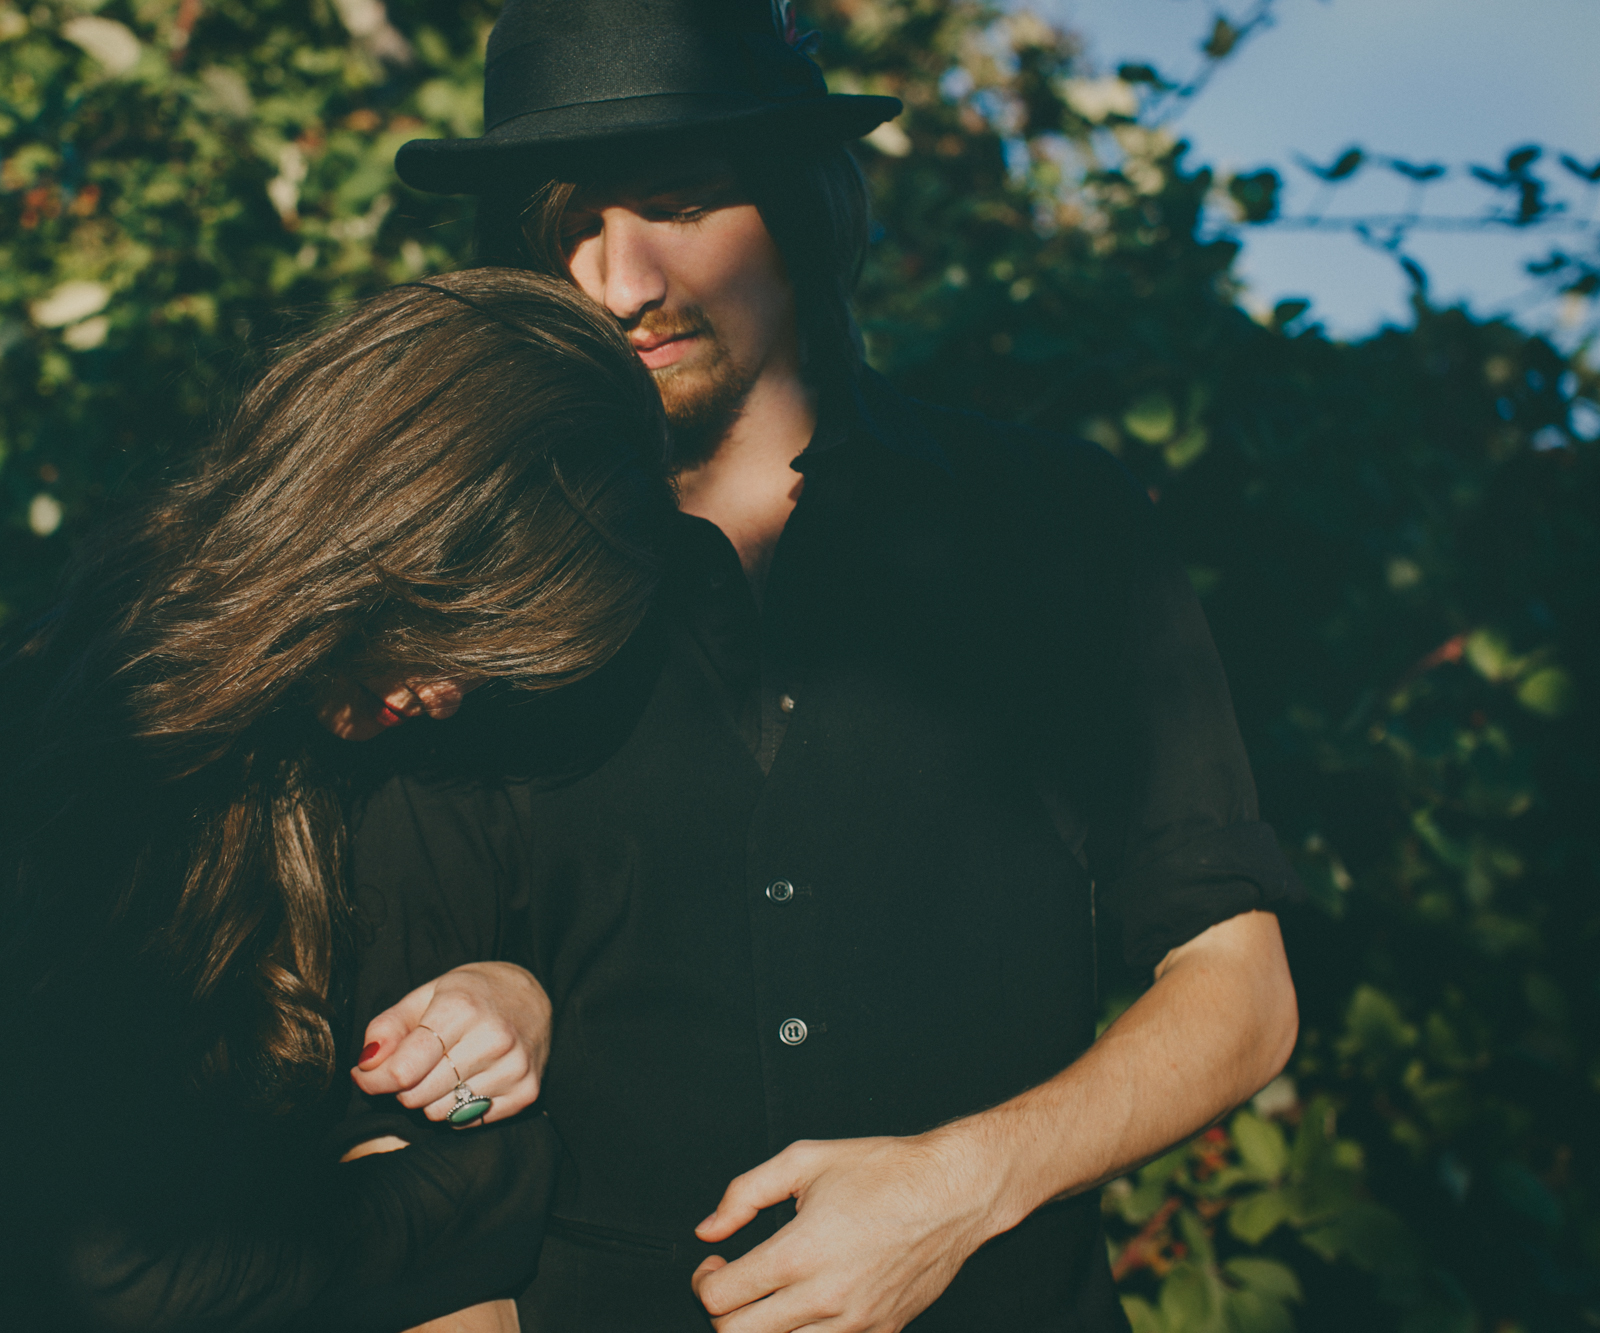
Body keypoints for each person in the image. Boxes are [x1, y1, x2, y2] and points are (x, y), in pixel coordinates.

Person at [347, 2, 1303, 1330]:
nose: (620, 280)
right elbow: (412, 1149)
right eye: (568, 226)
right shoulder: (471, 615)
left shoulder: (1054, 526)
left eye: (676, 199)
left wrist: (958, 1188)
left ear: (799, 204)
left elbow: (1240, 993)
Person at [0, 270, 674, 1332]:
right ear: (375, 507)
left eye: (495, 663)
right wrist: (504, 1172)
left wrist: (514, 996)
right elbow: (116, 1269)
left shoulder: (406, 746)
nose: (451, 691)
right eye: (456, 628)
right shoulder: (68, 728)